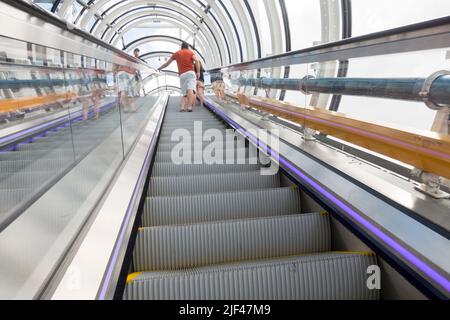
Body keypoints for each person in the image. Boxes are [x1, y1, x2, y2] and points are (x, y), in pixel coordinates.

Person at [157, 42, 200, 112]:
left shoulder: (177, 53)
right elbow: (197, 61)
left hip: (182, 75)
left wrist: (160, 68)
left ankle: (182, 108)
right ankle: (189, 107)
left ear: (181, 47)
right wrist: (198, 72)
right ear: (187, 47)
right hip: (190, 73)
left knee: (184, 93)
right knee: (190, 89)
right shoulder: (190, 53)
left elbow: (167, 63)